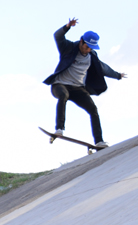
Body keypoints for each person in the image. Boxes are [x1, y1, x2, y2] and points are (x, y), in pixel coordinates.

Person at [43, 18, 126, 148]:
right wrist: (67, 26)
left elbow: (103, 68)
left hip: (78, 89)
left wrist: (117, 75)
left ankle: (99, 141)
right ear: (81, 41)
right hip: (60, 85)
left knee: (93, 109)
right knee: (63, 95)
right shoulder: (68, 48)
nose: (87, 50)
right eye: (86, 46)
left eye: (90, 48)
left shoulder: (91, 56)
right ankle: (59, 128)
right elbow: (57, 36)